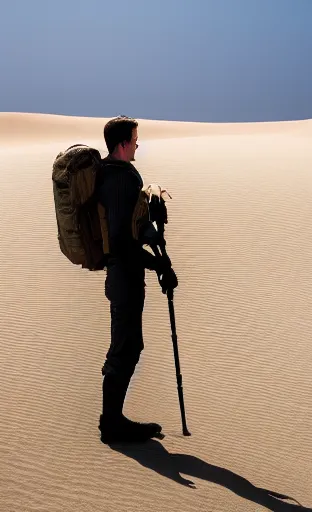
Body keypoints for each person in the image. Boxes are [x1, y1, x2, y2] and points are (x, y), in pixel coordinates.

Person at [96, 115, 176, 444]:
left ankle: (113, 420)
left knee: (130, 346)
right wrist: (157, 264)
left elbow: (131, 229)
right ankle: (111, 424)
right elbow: (121, 240)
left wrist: (152, 219)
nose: (137, 144)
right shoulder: (118, 179)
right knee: (124, 348)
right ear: (122, 143)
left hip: (125, 274)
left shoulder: (119, 175)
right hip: (123, 274)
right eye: (134, 139)